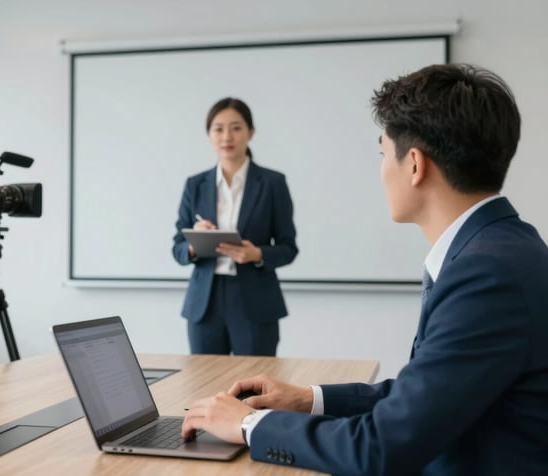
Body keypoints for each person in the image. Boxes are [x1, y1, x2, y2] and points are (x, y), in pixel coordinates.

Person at [181, 64, 548, 475]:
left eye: (382, 154)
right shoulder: (499, 248)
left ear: (414, 165)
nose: (381, 169)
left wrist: (249, 424)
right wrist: (308, 398)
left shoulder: (486, 275)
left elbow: (379, 447)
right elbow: (424, 396)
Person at [172, 97, 298, 356]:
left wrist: (257, 254)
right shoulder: (195, 185)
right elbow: (178, 248)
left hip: (255, 299)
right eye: (218, 129)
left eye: (236, 128)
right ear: (209, 135)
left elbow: (288, 248)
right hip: (205, 303)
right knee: (204, 378)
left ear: (250, 132)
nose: (226, 136)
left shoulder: (273, 183)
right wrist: (194, 244)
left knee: (254, 379)